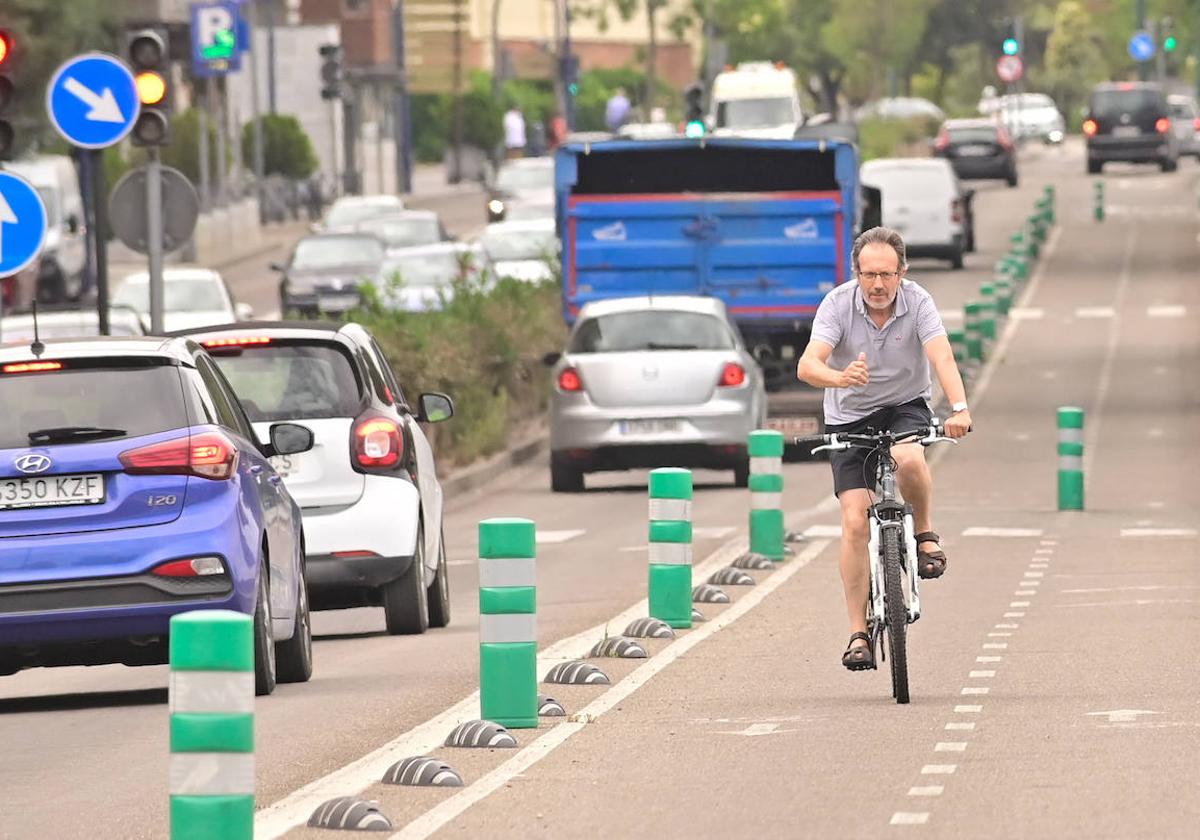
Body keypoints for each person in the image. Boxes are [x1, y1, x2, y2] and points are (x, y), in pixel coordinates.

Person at [796, 226, 972, 672]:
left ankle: (925, 535)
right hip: (848, 415)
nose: (877, 285)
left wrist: (959, 408)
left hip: (904, 406)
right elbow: (808, 365)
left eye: (886, 275)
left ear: (902, 273)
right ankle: (858, 632)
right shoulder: (837, 304)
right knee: (855, 520)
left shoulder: (918, 301)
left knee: (910, 456)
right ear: (855, 272)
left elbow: (941, 356)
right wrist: (840, 378)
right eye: (868, 274)